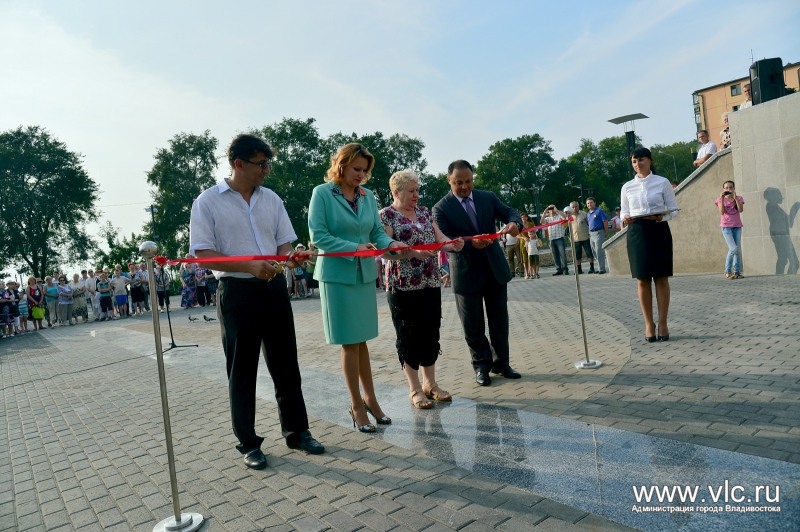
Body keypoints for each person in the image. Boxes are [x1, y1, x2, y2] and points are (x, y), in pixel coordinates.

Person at [190, 133, 324, 470]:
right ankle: (248, 442)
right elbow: (203, 255)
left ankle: (297, 431)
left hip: (274, 289)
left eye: (268, 164)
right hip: (237, 292)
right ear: (239, 164)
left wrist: (290, 259)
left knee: (286, 365)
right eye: (261, 164)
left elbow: (283, 246)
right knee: (242, 370)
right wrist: (249, 264)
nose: (266, 170)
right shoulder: (208, 201)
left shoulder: (272, 200)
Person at [308, 143, 405, 432]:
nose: (361, 175)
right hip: (337, 278)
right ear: (341, 165)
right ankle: (357, 405)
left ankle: (371, 400)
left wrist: (393, 243)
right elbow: (318, 236)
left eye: (365, 170)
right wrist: (355, 248)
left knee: (361, 341)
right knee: (350, 343)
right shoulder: (321, 194)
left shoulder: (368, 195)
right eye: (356, 169)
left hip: (362, 276)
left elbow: (376, 232)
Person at [433, 159, 523, 387]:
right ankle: (482, 366)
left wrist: (514, 223)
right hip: (466, 272)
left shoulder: (487, 197)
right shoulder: (441, 208)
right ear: (449, 181)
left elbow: (510, 212)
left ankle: (502, 363)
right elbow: (445, 239)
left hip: (494, 269)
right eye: (458, 183)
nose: (464, 187)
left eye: (468, 181)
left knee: (499, 320)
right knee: (473, 325)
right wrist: (472, 243)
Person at [380, 169, 464, 409]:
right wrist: (412, 252)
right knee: (408, 336)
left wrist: (452, 244)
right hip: (402, 285)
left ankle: (430, 384)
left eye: (418, 190)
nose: (417, 195)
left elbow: (439, 238)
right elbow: (384, 251)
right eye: (411, 191)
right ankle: (415, 388)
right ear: (396, 192)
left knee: (430, 332)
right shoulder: (386, 215)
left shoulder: (425, 212)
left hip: (430, 281)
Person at [620, 147, 679, 343]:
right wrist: (625, 219)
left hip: (658, 228)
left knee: (661, 278)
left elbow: (674, 210)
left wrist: (663, 216)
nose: (638, 164)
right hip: (637, 232)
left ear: (650, 161)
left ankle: (663, 323)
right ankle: (648, 324)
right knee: (642, 279)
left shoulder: (662, 182)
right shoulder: (627, 186)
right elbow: (623, 212)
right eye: (634, 161)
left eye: (641, 160)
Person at [715, 180, 745, 279]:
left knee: (737, 249)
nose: (729, 189)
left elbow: (740, 210)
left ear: (734, 188)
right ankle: (727, 271)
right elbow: (721, 212)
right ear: (723, 189)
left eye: (731, 187)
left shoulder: (739, 198)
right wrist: (722, 198)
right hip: (726, 227)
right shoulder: (720, 199)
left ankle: (737, 272)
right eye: (726, 188)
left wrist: (735, 198)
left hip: (737, 226)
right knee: (733, 248)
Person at [567, 201, 595, 274]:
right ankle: (579, 269)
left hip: (585, 237)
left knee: (589, 253)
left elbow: (589, 224)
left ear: (578, 206)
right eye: (573, 207)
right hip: (575, 238)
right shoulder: (569, 216)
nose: (575, 208)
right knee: (577, 255)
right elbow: (567, 227)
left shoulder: (584, 214)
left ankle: (592, 268)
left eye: (576, 206)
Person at [543, 205, 569, 275]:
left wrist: (556, 210)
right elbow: (541, 222)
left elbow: (565, 217)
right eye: (550, 209)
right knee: (555, 255)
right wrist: (545, 211)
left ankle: (565, 269)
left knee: (562, 254)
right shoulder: (548, 218)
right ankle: (558, 269)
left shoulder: (559, 216)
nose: (551, 210)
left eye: (552, 208)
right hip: (552, 239)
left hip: (560, 238)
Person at [586, 197, 608, 274]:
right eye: (588, 203)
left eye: (591, 202)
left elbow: (605, 221)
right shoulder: (588, 213)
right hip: (591, 234)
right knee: (594, 252)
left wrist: (605, 232)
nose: (589, 204)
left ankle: (602, 269)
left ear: (595, 203)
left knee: (599, 251)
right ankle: (599, 267)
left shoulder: (599, 211)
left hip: (599, 232)